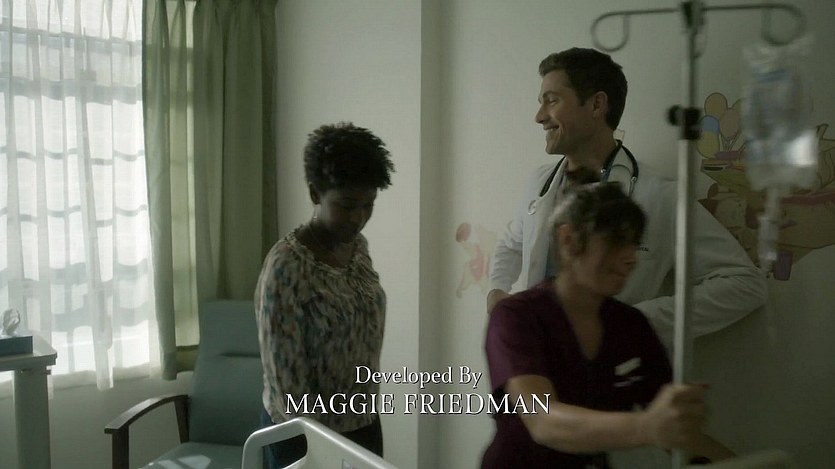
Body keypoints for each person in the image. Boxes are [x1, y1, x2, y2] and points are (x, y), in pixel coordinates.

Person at [487, 47, 767, 348]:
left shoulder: (660, 196)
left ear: (597, 104)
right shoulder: (539, 184)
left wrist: (635, 321)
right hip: (539, 359)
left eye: (552, 101)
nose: (539, 117)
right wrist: (496, 290)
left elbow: (745, 284)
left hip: (610, 367)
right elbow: (512, 244)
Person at [482, 180, 735, 468]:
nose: (631, 258)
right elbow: (542, 421)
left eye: (634, 244)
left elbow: (672, 429)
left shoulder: (631, 326)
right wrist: (646, 427)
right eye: (616, 242)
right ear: (569, 240)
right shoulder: (516, 317)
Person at [255, 122, 394, 467]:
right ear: (315, 193)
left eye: (369, 204)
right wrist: (322, 450)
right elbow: (287, 384)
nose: (359, 218)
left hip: (362, 421)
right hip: (302, 434)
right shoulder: (287, 267)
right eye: (347, 205)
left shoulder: (357, 248)